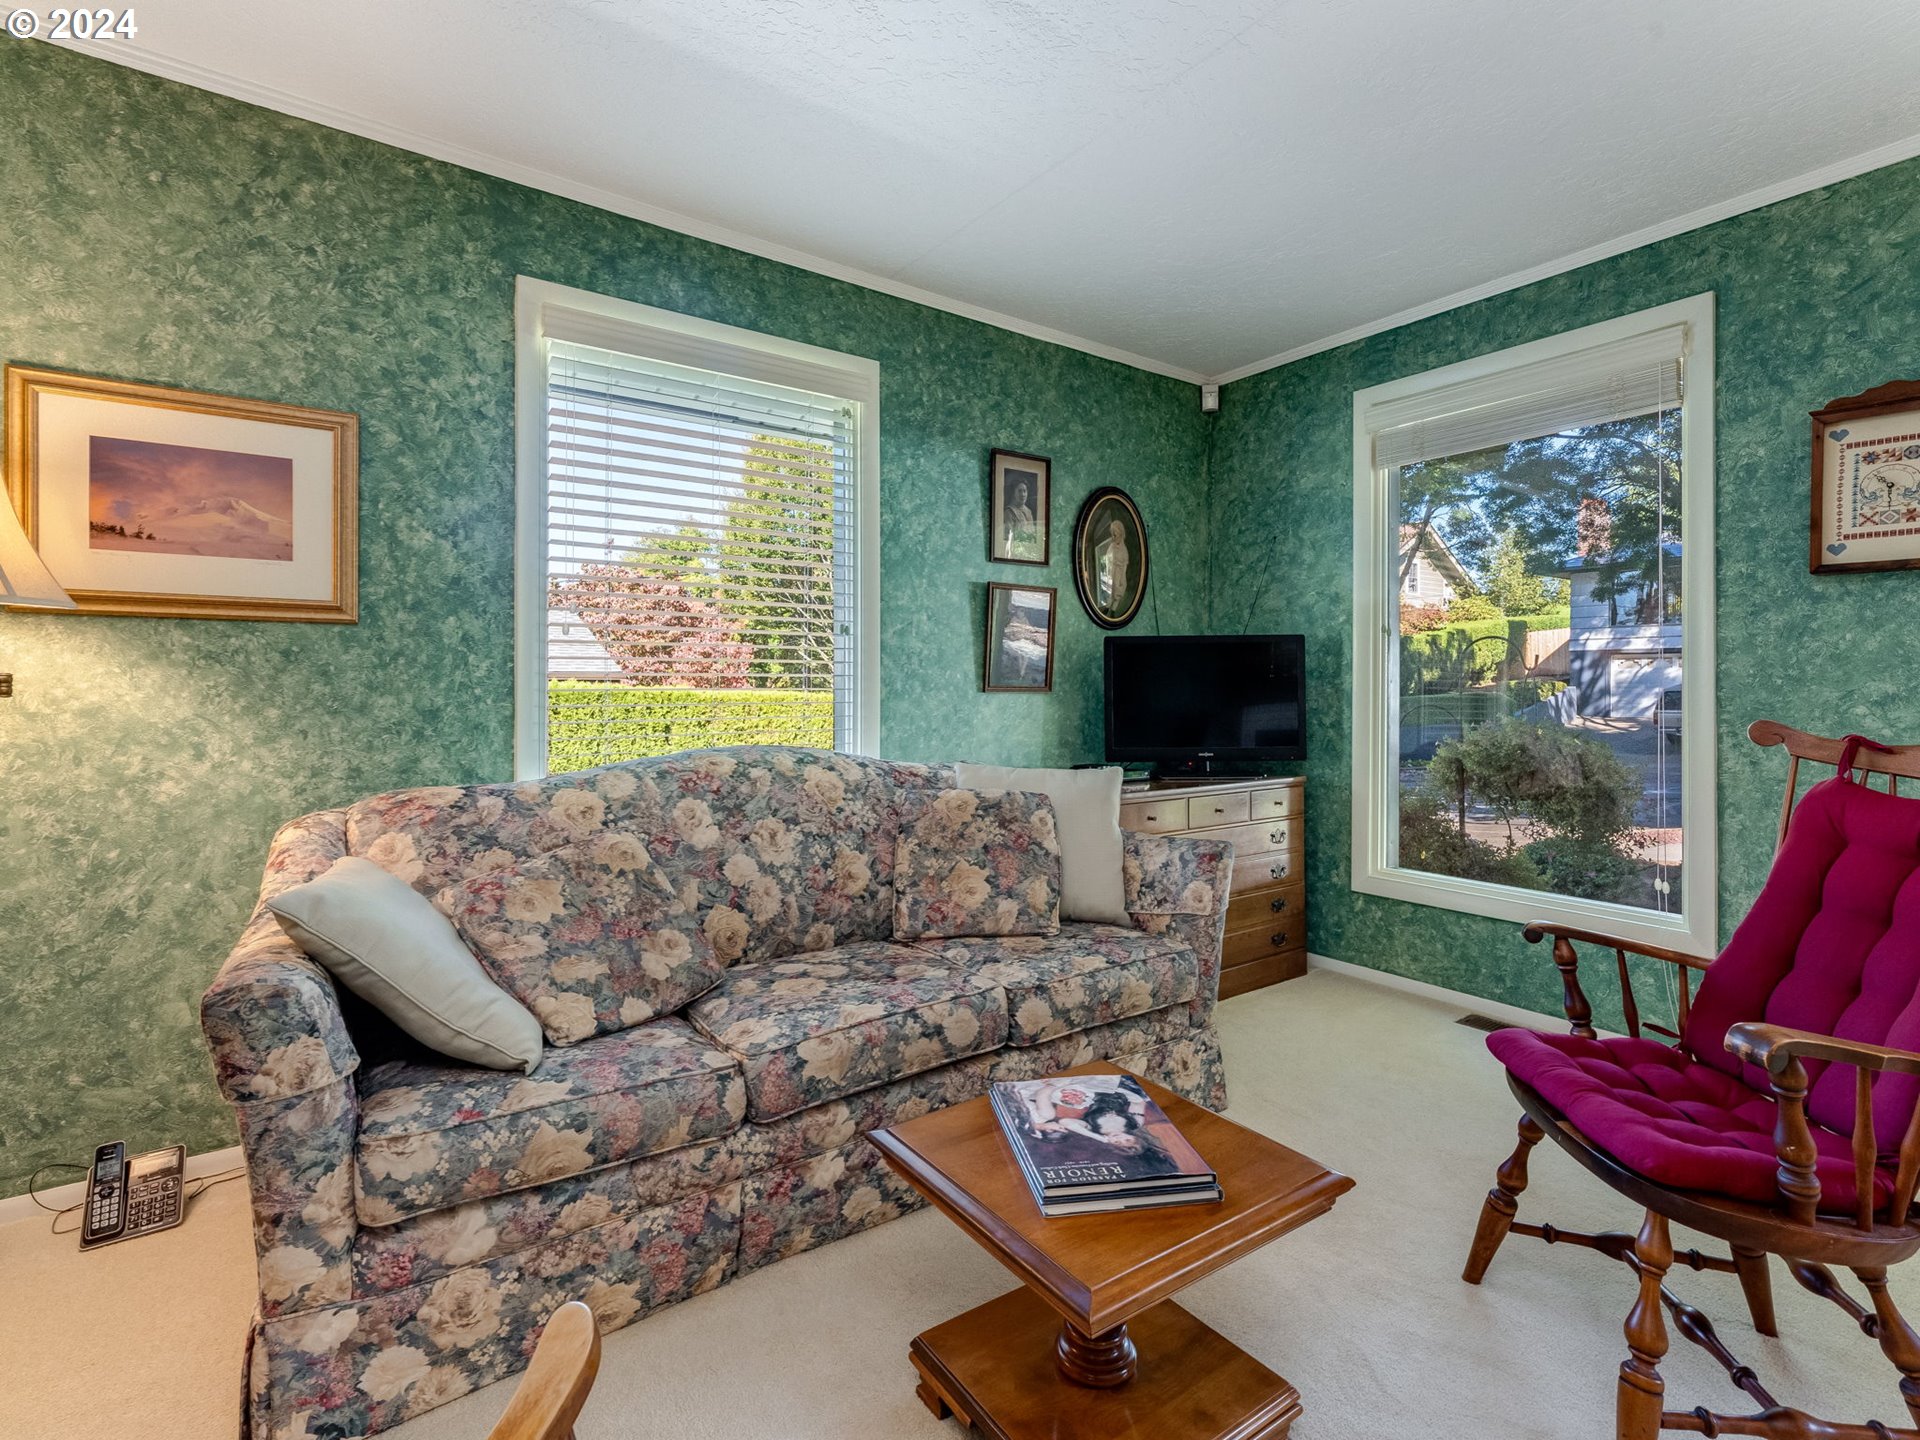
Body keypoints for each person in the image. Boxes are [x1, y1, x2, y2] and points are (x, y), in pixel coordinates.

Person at [1094, 515, 1130, 611]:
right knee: (1112, 586)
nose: (1114, 537)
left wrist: (1122, 574)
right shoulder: (1112, 546)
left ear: (1121, 534)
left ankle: (1116, 601)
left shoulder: (1124, 549)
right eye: (1112, 535)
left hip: (1120, 572)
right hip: (1112, 570)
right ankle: (1110, 601)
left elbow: (1125, 563)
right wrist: (1109, 567)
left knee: (1118, 586)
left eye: (1116, 534)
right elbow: (1108, 558)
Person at [1002, 478, 1040, 559]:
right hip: (1015, 553)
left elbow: (1033, 534)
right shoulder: (1009, 511)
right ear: (1013, 493)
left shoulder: (1029, 511)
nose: (1023, 494)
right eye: (1019, 491)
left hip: (1029, 553)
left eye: (1024, 491)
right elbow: (1007, 537)